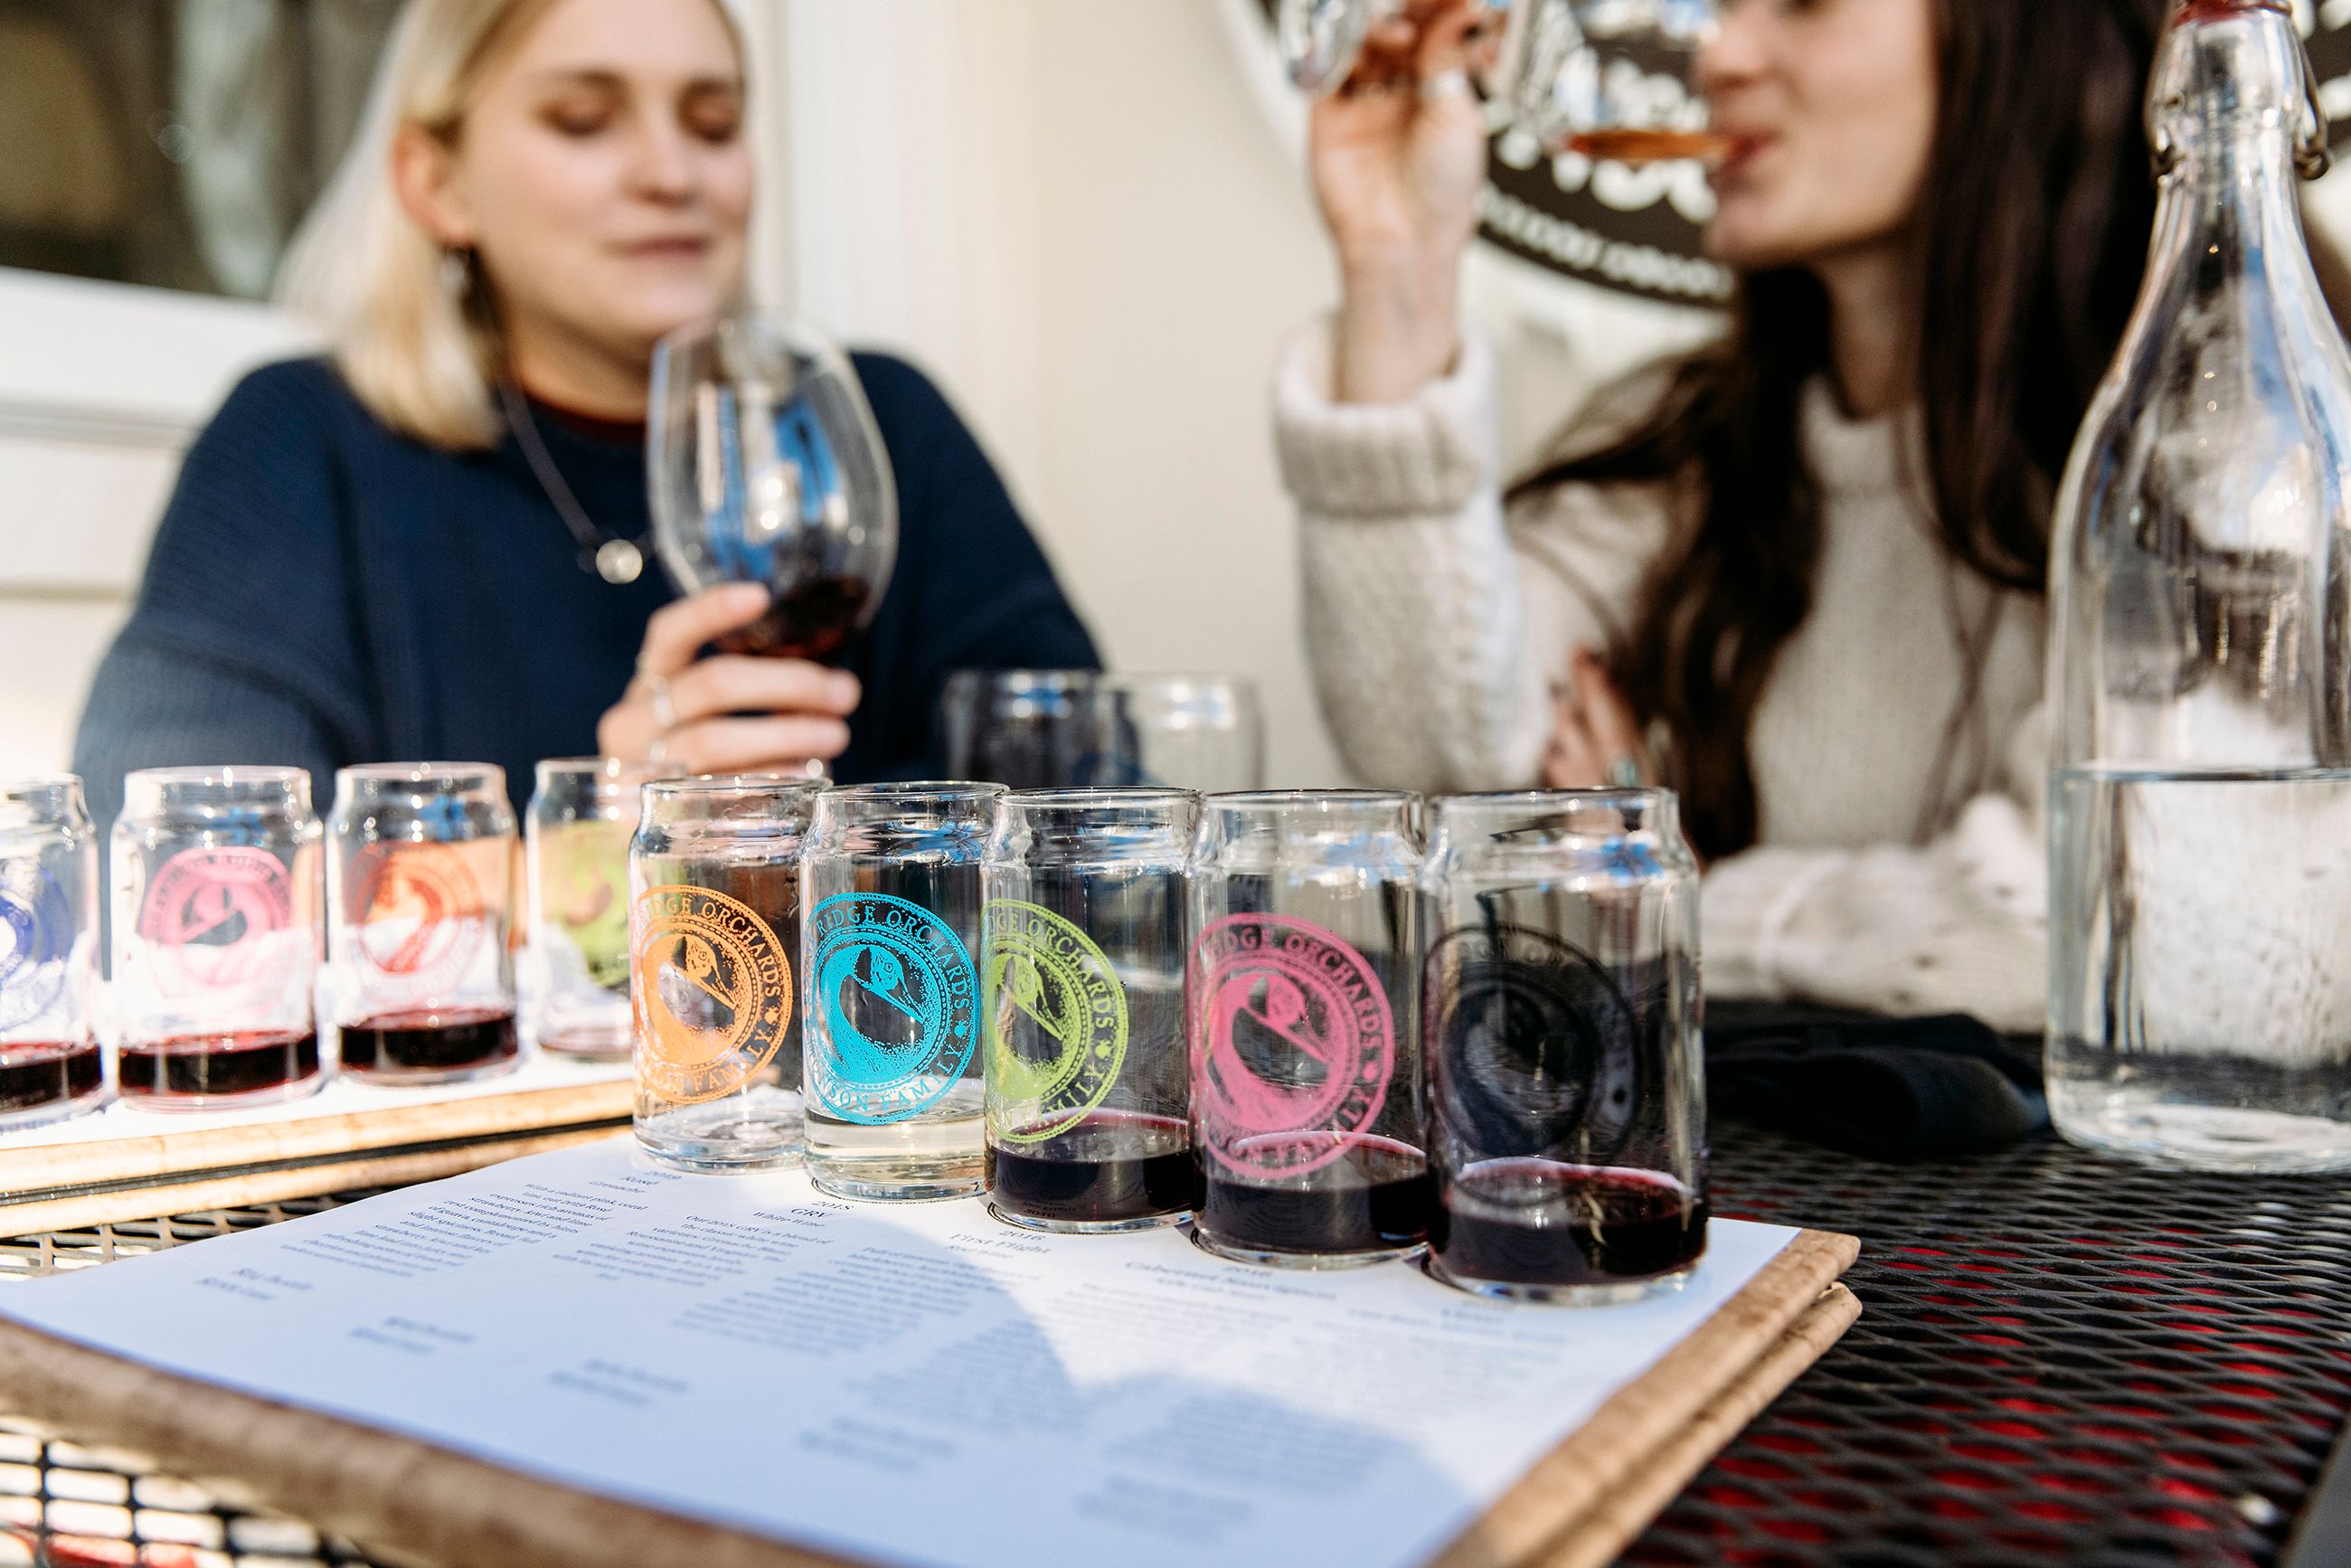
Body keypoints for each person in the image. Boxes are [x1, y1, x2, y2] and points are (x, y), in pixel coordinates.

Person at [1269, 0, 2299, 1033]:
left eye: (1803, 3)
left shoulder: (2238, 446)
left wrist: (1666, 901)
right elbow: (1434, 776)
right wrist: (1398, 268)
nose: (1719, 56)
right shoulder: (1684, 448)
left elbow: (2151, 932)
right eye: (1724, 5)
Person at [72, 0, 1097, 835]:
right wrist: (596, 849)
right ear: (437, 183)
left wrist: (796, 845)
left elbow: (1086, 789)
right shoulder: (300, 444)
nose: (672, 175)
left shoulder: (884, 426)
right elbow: (179, 869)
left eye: (713, 123)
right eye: (582, 120)